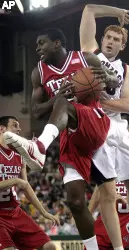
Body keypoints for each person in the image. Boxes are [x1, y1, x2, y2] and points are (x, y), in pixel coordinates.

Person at [2, 29, 119, 250]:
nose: (37, 48)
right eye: (36, 44)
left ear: (57, 43)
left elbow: (112, 83)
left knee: (65, 104)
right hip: (69, 136)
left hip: (93, 119)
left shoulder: (86, 58)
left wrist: (109, 78)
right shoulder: (39, 72)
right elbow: (36, 111)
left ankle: (40, 146)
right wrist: (57, 97)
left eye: (41, 43)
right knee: (75, 202)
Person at [79, 4, 129, 250]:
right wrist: (116, 12)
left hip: (118, 124)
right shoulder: (91, 53)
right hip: (95, 122)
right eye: (108, 37)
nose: (110, 41)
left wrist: (103, 99)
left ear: (122, 46)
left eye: (116, 39)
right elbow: (88, 9)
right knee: (107, 188)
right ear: (102, 39)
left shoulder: (126, 70)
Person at [86, 127, 129, 250]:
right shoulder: (105, 159)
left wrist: (128, 195)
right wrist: (88, 213)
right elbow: (99, 189)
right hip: (106, 219)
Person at [0, 116, 58, 250]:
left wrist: (44, 212)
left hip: (15, 212)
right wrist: (14, 181)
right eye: (15, 125)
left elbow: (25, 185)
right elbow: (19, 182)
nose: (19, 129)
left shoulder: (20, 154)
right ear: (2, 129)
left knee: (50, 246)